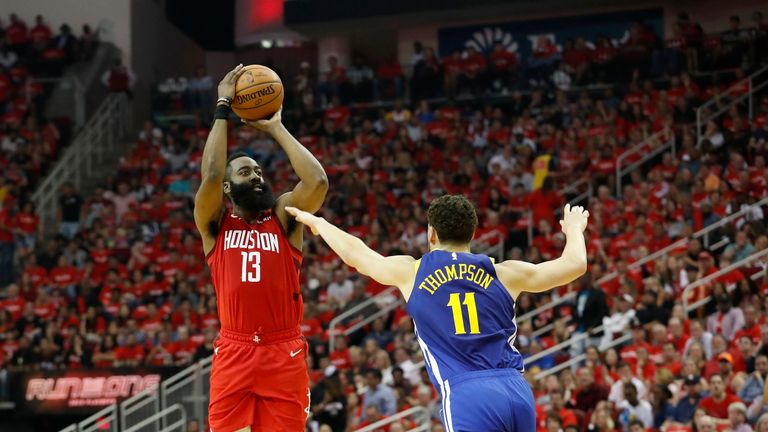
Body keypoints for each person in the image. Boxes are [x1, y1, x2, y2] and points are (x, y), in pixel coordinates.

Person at [286, 197, 589, 431]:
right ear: (472, 233)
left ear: (431, 233)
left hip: (467, 392)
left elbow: (358, 255)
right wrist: (574, 229)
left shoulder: (413, 271)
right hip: (516, 389)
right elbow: (575, 264)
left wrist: (319, 224)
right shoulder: (503, 272)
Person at [194, 64, 329, 432]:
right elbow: (210, 174)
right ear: (227, 188)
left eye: (258, 171)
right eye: (244, 172)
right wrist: (223, 106)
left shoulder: (284, 215)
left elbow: (316, 180)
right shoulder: (215, 225)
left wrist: (275, 127)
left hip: (282, 350)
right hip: (234, 349)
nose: (255, 176)